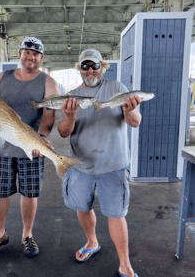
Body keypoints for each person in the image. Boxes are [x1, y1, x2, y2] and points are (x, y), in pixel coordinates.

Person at [57, 48, 141, 277]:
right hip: (80, 165)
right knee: (82, 208)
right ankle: (92, 242)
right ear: (79, 69)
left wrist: (130, 110)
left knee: (116, 214)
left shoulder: (118, 88)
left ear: (102, 67)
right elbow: (63, 133)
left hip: (113, 164)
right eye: (85, 66)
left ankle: (125, 263)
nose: (90, 70)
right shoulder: (71, 95)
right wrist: (70, 117)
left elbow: (135, 122)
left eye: (94, 65)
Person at [0, 37, 60, 259]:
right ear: (20, 54)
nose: (30, 57)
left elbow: (49, 116)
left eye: (35, 53)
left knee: (29, 194)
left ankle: (27, 236)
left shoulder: (49, 83)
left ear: (41, 58)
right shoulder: (2, 77)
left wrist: (41, 137)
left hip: (31, 147)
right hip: (3, 147)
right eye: (27, 52)